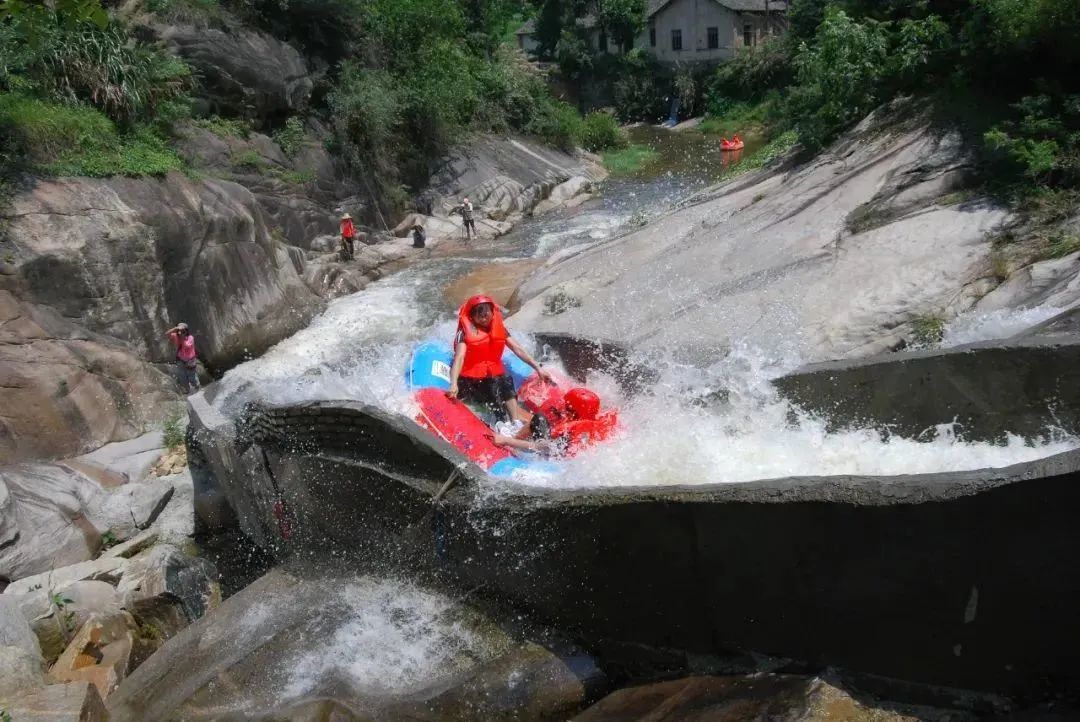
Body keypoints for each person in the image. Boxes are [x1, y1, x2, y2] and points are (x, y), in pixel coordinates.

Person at [446, 295, 552, 423]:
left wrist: (538, 368)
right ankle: (502, 422)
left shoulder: (500, 329)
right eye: (479, 315)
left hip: (490, 379)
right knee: (495, 386)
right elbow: (460, 357)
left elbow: (517, 348)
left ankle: (515, 420)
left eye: (486, 314)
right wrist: (453, 383)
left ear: (492, 312)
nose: (484, 318)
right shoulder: (463, 333)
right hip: (469, 382)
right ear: (472, 317)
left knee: (504, 379)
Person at [492, 387, 616, 457]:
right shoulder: (592, 427)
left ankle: (512, 436)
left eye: (567, 407)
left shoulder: (568, 434)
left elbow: (543, 448)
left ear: (573, 412)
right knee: (541, 420)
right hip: (568, 456)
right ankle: (516, 435)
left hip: (552, 458)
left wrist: (507, 441)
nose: (563, 408)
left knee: (539, 419)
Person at [166, 322, 200, 395]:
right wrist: (175, 329)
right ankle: (187, 391)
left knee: (192, 378)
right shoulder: (176, 335)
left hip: (190, 360)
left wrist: (182, 337)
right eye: (180, 330)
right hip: (180, 359)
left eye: (183, 330)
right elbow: (167, 334)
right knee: (182, 377)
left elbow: (187, 346)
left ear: (186, 330)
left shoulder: (190, 338)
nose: (180, 332)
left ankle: (197, 387)